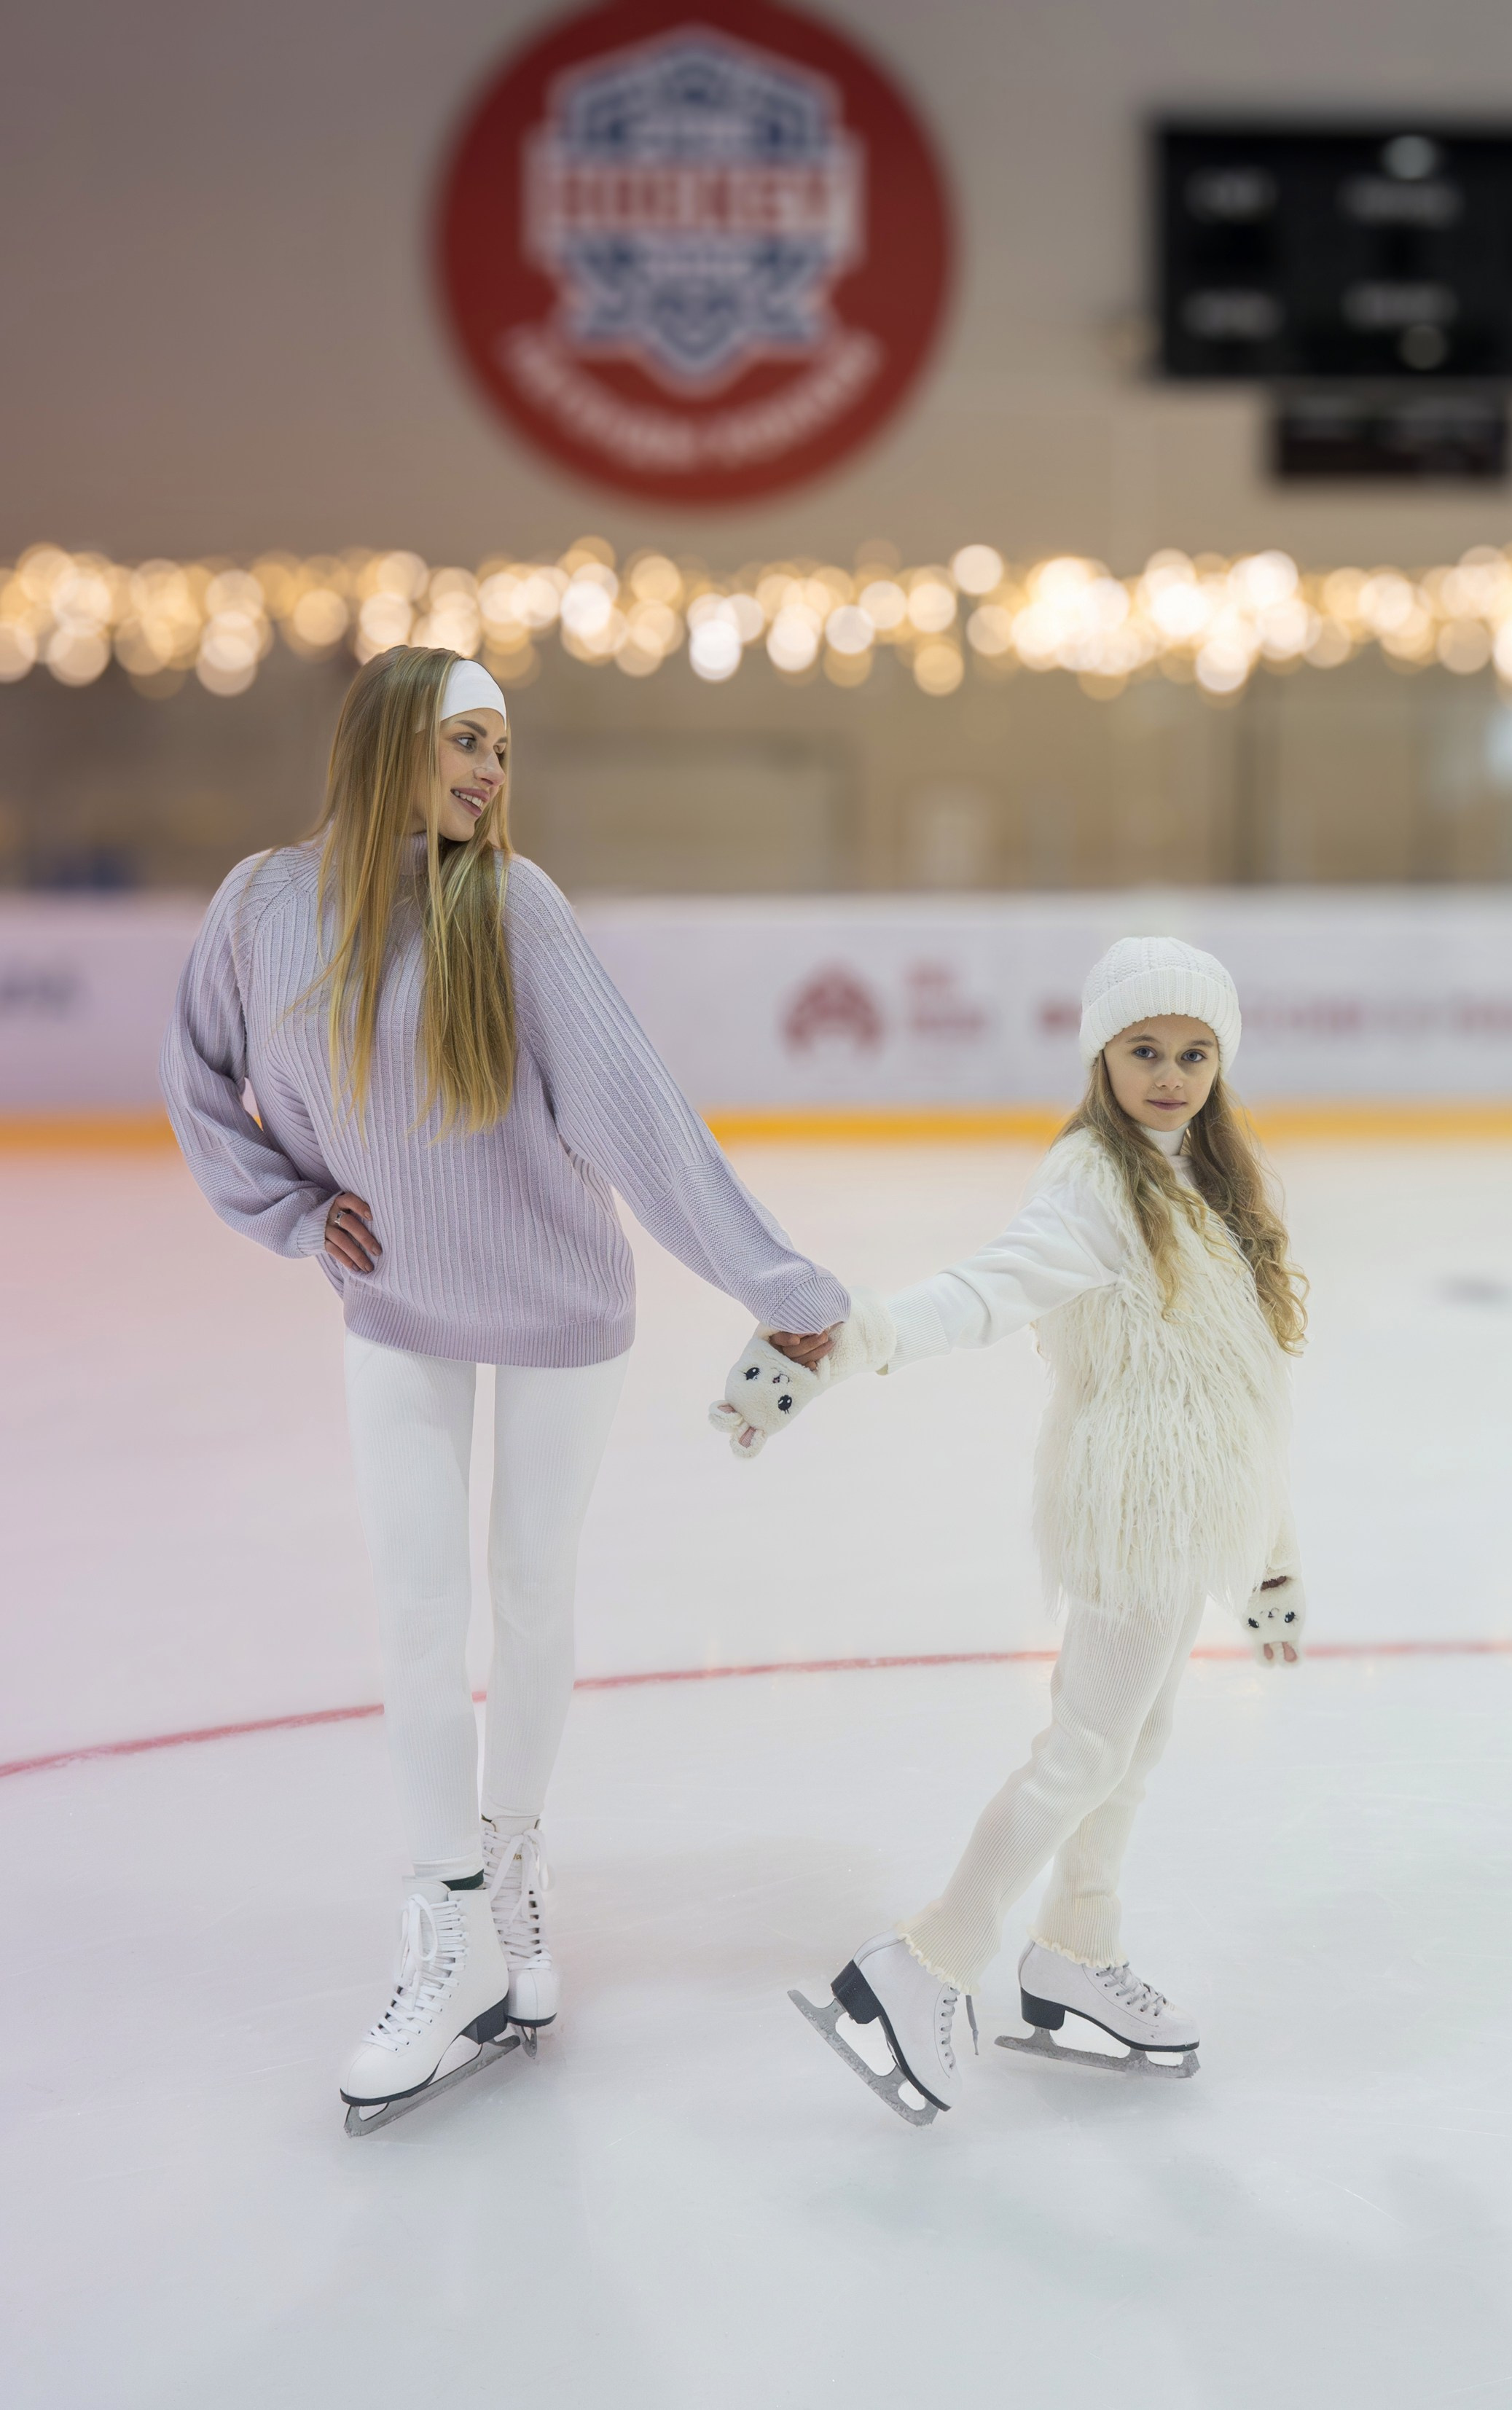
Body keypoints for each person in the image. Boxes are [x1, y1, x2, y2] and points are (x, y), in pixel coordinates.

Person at [162, 645, 846, 2131]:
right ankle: (444, 1920)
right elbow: (199, 1074)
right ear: (391, 743)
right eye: (465, 741)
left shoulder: (512, 906)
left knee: (530, 1594)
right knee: (417, 1611)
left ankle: (516, 1858)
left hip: (555, 1306)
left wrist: (778, 1286)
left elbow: (641, 1119)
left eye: (502, 751)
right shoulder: (261, 908)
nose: (487, 773)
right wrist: (290, 1208)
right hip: (396, 1306)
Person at [711, 937, 1307, 2126]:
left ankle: (1074, 1957)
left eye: (1193, 1053)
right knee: (1084, 1752)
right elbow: (982, 1293)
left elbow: (1242, 1392)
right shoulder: (1094, 1182)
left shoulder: (1202, 1178)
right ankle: (922, 1964)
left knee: (1125, 1750)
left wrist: (1267, 1555)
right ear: (1101, 1053)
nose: (1170, 1073)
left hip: (1184, 1513)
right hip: (1130, 1507)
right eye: (1144, 1049)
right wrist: (850, 1338)